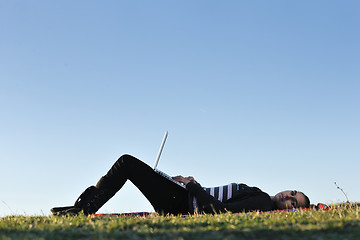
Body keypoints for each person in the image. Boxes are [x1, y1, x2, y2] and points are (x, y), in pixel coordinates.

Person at [51, 154, 310, 215]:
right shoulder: (262, 197)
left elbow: (217, 212)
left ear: (290, 210)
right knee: (127, 165)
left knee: (127, 164)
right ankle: (83, 207)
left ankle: (84, 209)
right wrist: (190, 185)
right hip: (183, 196)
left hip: (181, 202)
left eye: (292, 203)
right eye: (293, 193)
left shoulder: (263, 203)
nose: (288, 196)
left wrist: (192, 185)